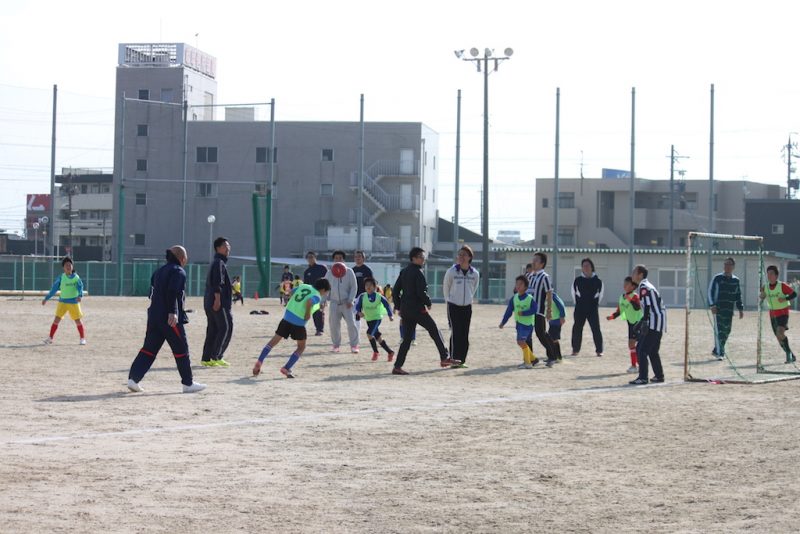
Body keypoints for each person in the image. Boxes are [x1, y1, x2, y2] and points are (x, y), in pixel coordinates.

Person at [127, 246, 206, 393]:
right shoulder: (178, 271)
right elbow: (172, 292)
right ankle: (188, 383)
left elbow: (151, 294)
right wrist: (173, 312)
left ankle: (133, 379)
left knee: (149, 349)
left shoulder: (158, 272)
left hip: (153, 316)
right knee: (181, 349)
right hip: (169, 318)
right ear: (182, 258)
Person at [391, 247, 459, 375]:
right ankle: (444, 357)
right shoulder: (418, 272)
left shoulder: (404, 271)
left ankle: (397, 366)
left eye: (424, 257)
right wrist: (428, 302)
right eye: (421, 257)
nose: (423, 259)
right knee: (434, 331)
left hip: (406, 311)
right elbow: (421, 292)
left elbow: (395, 291)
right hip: (418, 309)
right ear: (413, 258)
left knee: (407, 339)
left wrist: (399, 306)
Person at [253, 278, 331, 378]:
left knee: (272, 342)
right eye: (326, 292)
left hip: (287, 318)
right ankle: (286, 368)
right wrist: (307, 314)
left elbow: (290, 292)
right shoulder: (317, 295)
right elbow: (309, 301)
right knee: (301, 347)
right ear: (323, 289)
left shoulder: (303, 286)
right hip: (299, 323)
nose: (325, 294)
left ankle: (259, 361)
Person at [442, 245, 480, 368]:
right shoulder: (452, 271)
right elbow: (446, 288)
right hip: (453, 306)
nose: (461, 257)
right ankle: (454, 359)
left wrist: (469, 298)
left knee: (464, 333)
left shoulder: (474, 273)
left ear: (470, 257)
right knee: (456, 333)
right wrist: (448, 301)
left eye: (464, 255)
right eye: (460, 254)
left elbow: (474, 288)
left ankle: (462, 360)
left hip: (467, 307)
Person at [629, 265, 667, 385]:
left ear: (640, 275)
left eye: (634, 272)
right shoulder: (647, 286)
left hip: (653, 323)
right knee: (653, 351)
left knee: (641, 349)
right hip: (659, 322)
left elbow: (648, 305)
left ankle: (643, 377)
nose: (632, 274)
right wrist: (642, 321)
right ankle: (659, 376)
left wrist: (644, 321)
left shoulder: (643, 287)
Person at [201, 237, 233, 368]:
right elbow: (217, 283)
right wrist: (218, 300)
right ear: (218, 248)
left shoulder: (216, 262)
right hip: (218, 303)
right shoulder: (219, 263)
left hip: (209, 301)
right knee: (225, 327)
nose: (228, 248)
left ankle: (206, 358)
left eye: (228, 246)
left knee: (213, 330)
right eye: (225, 246)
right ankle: (216, 356)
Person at [42, 256, 86, 345]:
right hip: (62, 302)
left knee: (77, 320)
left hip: (73, 303)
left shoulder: (76, 278)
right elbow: (54, 289)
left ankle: (82, 339)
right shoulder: (61, 277)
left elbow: (80, 287)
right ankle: (50, 338)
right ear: (63, 268)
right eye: (66, 265)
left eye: (70, 265)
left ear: (72, 266)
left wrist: (80, 295)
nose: (68, 267)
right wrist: (46, 298)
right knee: (56, 320)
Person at [708, 257, 744, 360]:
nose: (727, 266)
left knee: (727, 331)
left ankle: (717, 349)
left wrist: (740, 309)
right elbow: (710, 291)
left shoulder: (736, 280)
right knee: (719, 331)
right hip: (718, 309)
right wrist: (712, 305)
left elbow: (738, 295)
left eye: (729, 264)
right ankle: (720, 353)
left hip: (729, 310)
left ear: (733, 267)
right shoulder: (717, 278)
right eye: (725, 264)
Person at [526, 252, 559, 367]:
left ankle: (553, 356)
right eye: (533, 259)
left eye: (536, 260)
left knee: (541, 333)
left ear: (542, 263)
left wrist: (549, 310)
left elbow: (549, 293)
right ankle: (531, 358)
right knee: (527, 334)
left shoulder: (545, 277)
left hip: (538, 310)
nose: (533, 262)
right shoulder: (529, 276)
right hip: (527, 311)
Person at [760, 265, 797, 363]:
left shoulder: (782, 285)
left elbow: (794, 294)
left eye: (771, 273)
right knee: (778, 337)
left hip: (783, 312)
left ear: (776, 275)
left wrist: (785, 298)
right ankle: (791, 355)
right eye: (768, 274)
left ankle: (788, 355)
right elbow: (761, 296)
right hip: (772, 314)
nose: (769, 275)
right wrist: (761, 296)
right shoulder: (765, 287)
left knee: (780, 332)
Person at [499, 275, 539, 369]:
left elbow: (534, 310)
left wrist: (524, 313)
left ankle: (528, 363)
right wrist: (503, 322)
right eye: (517, 284)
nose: (518, 286)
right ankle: (533, 359)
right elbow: (508, 312)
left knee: (521, 342)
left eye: (520, 284)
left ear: (526, 287)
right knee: (522, 342)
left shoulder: (530, 298)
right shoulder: (514, 298)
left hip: (528, 325)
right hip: (519, 324)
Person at [324, 250, 360, 353]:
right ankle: (336, 345)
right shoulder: (329, 273)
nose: (338, 260)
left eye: (340, 258)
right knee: (334, 325)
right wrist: (323, 300)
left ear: (343, 260)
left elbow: (354, 287)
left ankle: (354, 345)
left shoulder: (349, 272)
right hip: (334, 303)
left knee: (351, 324)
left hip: (347, 303)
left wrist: (350, 299)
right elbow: (325, 288)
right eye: (336, 258)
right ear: (333, 260)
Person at [607, 276, 643, 373]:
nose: (625, 285)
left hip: (638, 323)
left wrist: (630, 300)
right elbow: (620, 311)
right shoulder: (622, 297)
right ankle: (635, 365)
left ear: (633, 287)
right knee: (631, 344)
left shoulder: (635, 296)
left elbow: (637, 307)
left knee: (638, 345)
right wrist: (612, 316)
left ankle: (638, 365)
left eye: (627, 284)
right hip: (630, 323)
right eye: (624, 283)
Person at [355, 277, 395, 362]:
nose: (368, 287)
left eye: (370, 285)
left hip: (377, 318)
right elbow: (357, 306)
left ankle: (376, 352)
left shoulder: (379, 296)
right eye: (366, 285)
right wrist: (359, 312)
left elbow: (387, 305)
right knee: (378, 338)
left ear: (375, 287)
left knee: (369, 334)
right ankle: (390, 352)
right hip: (368, 319)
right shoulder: (362, 296)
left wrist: (390, 315)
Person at [571, 257, 604, 357]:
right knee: (577, 328)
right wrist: (579, 304)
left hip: (593, 308)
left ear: (592, 267)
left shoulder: (598, 281)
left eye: (588, 265)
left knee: (596, 328)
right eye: (584, 266)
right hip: (580, 308)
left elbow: (600, 295)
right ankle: (575, 349)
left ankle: (599, 350)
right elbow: (573, 293)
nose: (586, 267)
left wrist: (594, 304)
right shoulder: (577, 280)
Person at [303, 251, 328, 336]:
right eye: (308, 257)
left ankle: (320, 329)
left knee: (319, 311)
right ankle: (317, 329)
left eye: (312, 257)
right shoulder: (307, 271)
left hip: (322, 293)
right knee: (314, 312)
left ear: (315, 258)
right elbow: (306, 285)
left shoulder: (322, 268)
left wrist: (326, 293)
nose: (310, 259)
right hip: (312, 294)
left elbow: (328, 280)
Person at [352, 250, 374, 330]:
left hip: (365, 296)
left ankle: (373, 331)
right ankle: (356, 334)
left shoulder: (367, 270)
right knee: (356, 315)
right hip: (355, 296)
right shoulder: (352, 270)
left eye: (359, 256)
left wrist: (371, 295)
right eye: (356, 257)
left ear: (363, 258)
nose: (357, 258)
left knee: (369, 316)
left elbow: (372, 284)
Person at [548, 291, 567, 361]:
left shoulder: (553, 296)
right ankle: (556, 356)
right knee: (551, 338)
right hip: (552, 320)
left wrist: (562, 316)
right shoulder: (544, 296)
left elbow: (561, 306)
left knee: (553, 338)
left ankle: (558, 357)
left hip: (557, 319)